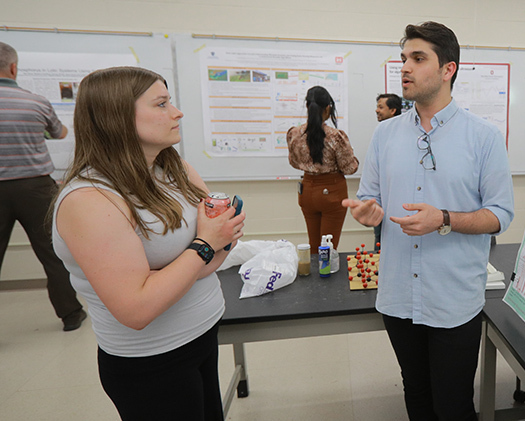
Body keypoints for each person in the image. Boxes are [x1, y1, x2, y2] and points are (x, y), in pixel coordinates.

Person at [51, 67, 245, 421]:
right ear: (118, 117)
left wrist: (173, 269)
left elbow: (221, 249)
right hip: (152, 361)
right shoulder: (90, 199)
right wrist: (201, 246)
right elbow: (137, 309)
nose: (177, 112)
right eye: (162, 104)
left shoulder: (174, 169)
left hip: (202, 334)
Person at [343, 22, 514, 420]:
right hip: (398, 296)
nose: (405, 67)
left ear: (447, 69)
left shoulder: (484, 137)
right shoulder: (385, 135)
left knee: (453, 404)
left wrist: (445, 219)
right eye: (404, 58)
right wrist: (370, 213)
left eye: (418, 59)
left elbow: (500, 215)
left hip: (452, 299)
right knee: (416, 395)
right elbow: (372, 200)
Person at [0, 42, 86, 331]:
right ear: (14, 68)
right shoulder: (35, 102)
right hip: (35, 187)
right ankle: (71, 315)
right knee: (53, 252)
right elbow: (60, 133)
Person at [288, 85, 358, 251]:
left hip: (306, 191)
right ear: (328, 108)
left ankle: (313, 274)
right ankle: (326, 275)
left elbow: (294, 163)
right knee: (329, 246)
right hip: (332, 192)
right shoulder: (335, 136)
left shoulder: (294, 134)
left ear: (307, 107)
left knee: (313, 245)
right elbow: (350, 168)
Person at [373, 93, 403, 250]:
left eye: (380, 107)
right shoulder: (380, 133)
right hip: (380, 202)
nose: (377, 110)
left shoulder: (403, 135)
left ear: (393, 110)